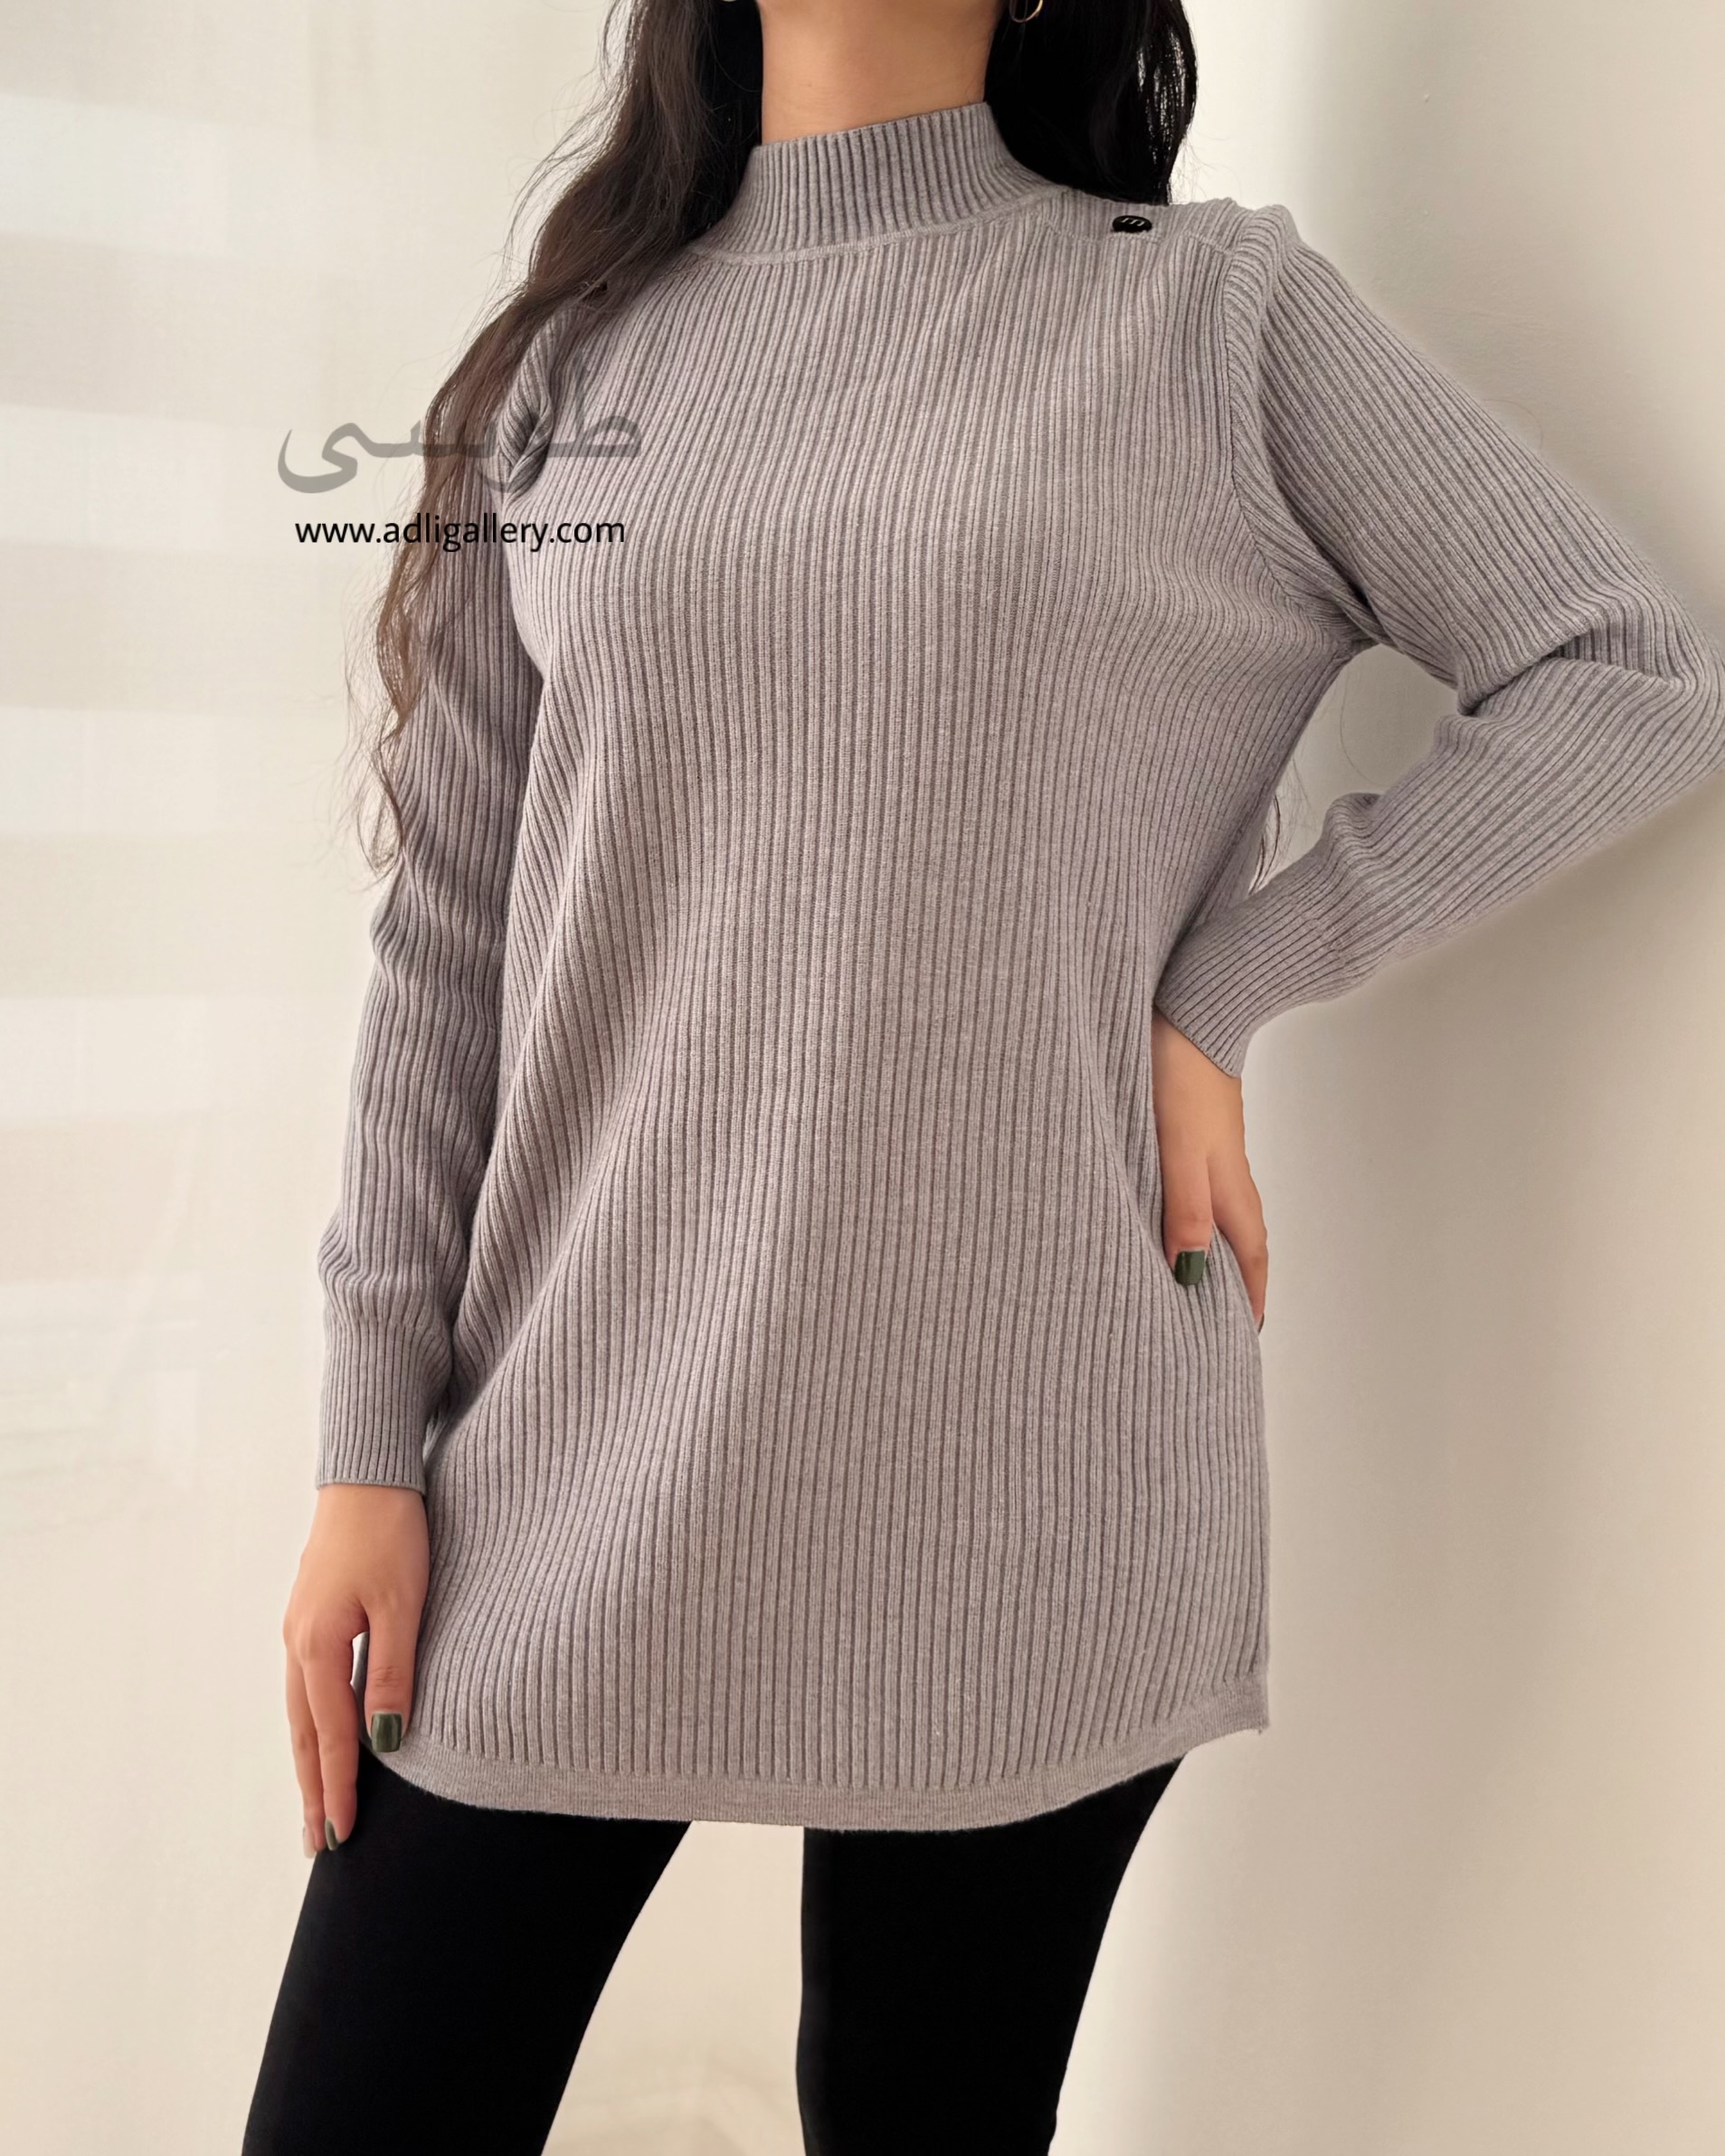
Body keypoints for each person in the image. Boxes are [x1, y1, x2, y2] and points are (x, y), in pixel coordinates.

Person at [244, 1, 1725, 2150]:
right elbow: (449, 932)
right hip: (572, 1465)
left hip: (1030, 1479)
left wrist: (1230, 979)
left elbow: (1627, 667)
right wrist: (365, 1449)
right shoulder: (571, 373)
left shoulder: (1206, 320)